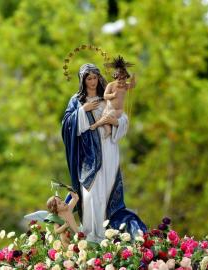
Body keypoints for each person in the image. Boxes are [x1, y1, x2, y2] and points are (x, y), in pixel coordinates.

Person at [62, 63, 147, 243]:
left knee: (107, 191)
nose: (92, 82)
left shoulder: (106, 96)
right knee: (91, 194)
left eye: (94, 78)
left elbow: (122, 117)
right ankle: (92, 236)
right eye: (88, 78)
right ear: (83, 81)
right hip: (89, 155)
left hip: (108, 150)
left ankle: (108, 236)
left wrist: (116, 123)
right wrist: (83, 111)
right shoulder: (76, 100)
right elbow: (67, 125)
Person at [90, 56, 136, 138]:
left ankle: (96, 125)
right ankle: (108, 130)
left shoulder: (125, 86)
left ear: (126, 78)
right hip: (108, 108)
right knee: (102, 117)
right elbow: (105, 96)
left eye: (124, 80)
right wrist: (112, 95)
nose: (121, 83)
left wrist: (133, 79)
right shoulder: (111, 85)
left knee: (107, 117)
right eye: (119, 81)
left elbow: (132, 85)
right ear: (115, 77)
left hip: (117, 110)